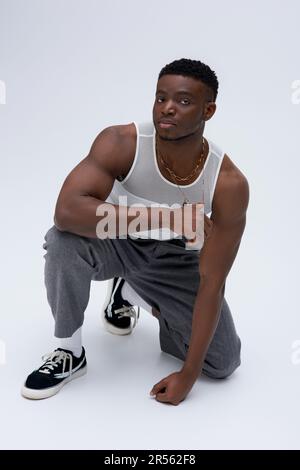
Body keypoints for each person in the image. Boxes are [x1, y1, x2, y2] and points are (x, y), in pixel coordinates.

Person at [21, 58, 249, 405]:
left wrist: (188, 375)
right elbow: (66, 212)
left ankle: (130, 294)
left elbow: (213, 283)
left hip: (175, 260)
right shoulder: (121, 142)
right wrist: (166, 217)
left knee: (223, 362)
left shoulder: (228, 183)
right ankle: (69, 351)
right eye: (161, 98)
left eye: (184, 101)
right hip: (115, 241)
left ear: (209, 110)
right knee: (62, 242)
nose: (167, 109)